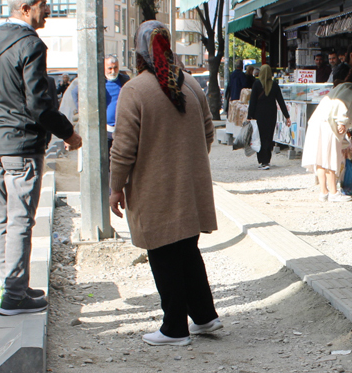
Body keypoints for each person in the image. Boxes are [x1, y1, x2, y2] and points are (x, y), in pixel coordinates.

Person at [0, 0, 82, 316]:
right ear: (26, 9)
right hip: (22, 146)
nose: (48, 10)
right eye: (44, 4)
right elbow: (40, 105)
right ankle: (14, 295)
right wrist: (69, 134)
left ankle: (10, 285)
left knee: (0, 219)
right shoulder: (31, 45)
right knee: (19, 221)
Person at [108, 21, 220, 347]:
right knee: (187, 250)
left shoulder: (135, 90)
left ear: (138, 50)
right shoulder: (191, 85)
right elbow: (208, 133)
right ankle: (204, 316)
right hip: (190, 187)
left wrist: (116, 187)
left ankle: (174, 328)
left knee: (163, 254)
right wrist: (188, 160)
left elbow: (124, 147)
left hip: (155, 189)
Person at [301, 82, 352, 202]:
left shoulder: (336, 90)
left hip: (318, 123)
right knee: (330, 158)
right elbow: (342, 104)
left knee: (320, 159)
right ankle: (333, 192)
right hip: (328, 125)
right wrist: (341, 122)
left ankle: (323, 192)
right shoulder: (350, 88)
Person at [247, 64, 290, 170]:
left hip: (259, 114)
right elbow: (281, 101)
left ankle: (262, 160)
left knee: (260, 137)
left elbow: (253, 102)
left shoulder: (257, 84)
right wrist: (287, 116)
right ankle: (267, 160)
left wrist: (250, 116)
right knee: (269, 136)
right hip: (271, 114)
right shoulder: (274, 85)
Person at [104, 55, 130, 142]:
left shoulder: (124, 80)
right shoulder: (98, 81)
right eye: (109, 68)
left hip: (122, 128)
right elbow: (75, 92)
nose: (113, 71)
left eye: (115, 68)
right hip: (106, 130)